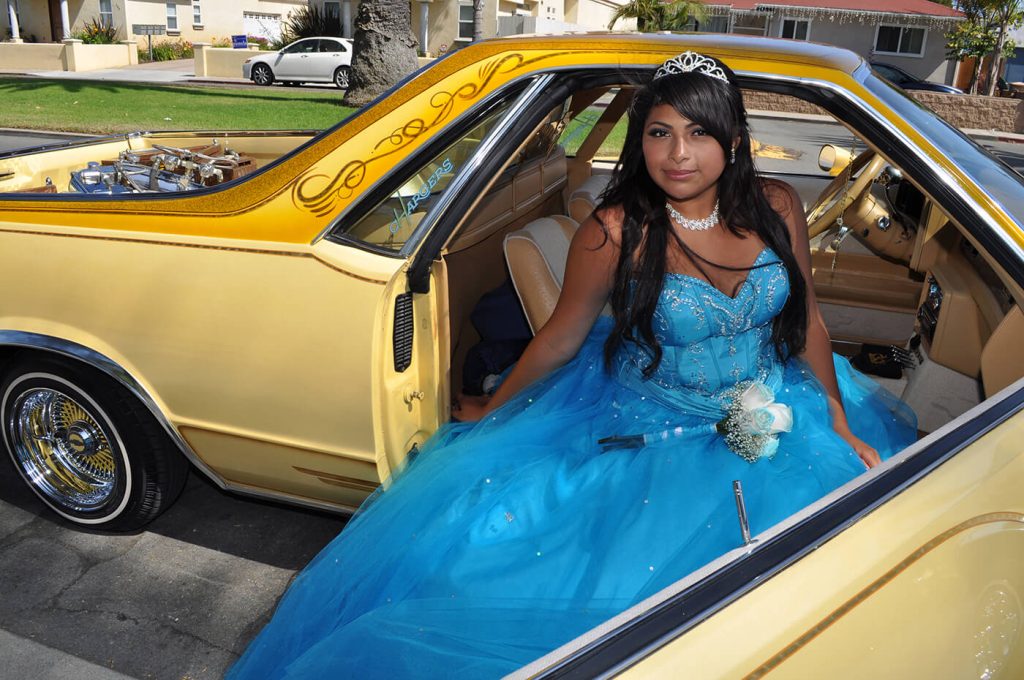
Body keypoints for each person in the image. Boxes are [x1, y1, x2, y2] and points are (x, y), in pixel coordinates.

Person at [228, 52, 916, 679]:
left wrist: (833, 416)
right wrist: (490, 414)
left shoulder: (778, 205)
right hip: (651, 423)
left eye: (698, 133)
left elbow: (808, 324)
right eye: (658, 132)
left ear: (733, 140)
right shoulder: (615, 230)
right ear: (639, 139)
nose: (678, 154)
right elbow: (559, 338)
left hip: (784, 404)